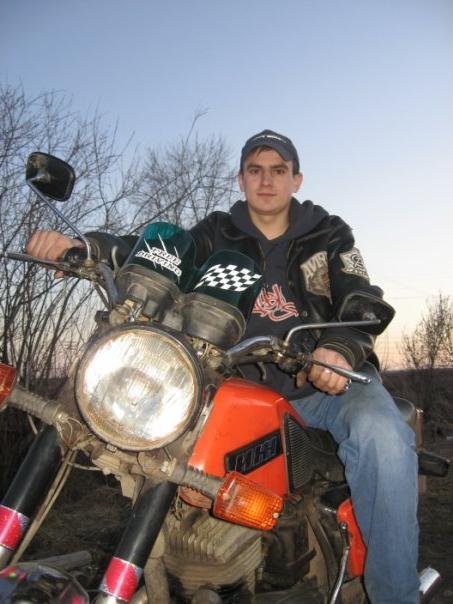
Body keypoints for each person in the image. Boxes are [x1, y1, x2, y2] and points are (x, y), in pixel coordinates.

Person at [26, 129, 419, 604]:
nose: (266, 181)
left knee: (383, 436)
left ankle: (396, 594)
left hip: (326, 385)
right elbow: (156, 255)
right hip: (234, 388)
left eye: (278, 171)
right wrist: (84, 247)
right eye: (256, 170)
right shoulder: (217, 233)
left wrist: (338, 348)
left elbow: (360, 295)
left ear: (296, 179)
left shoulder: (329, 234)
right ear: (241, 179)